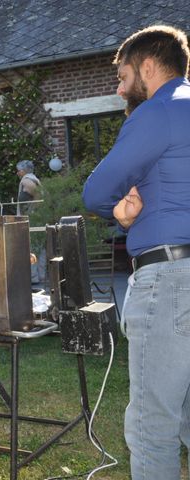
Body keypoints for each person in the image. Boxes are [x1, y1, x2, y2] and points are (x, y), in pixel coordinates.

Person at [82, 25, 190, 480]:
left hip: (170, 280)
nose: (120, 87)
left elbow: (96, 191)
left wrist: (120, 214)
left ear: (149, 66)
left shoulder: (157, 111)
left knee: (152, 427)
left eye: (124, 76)